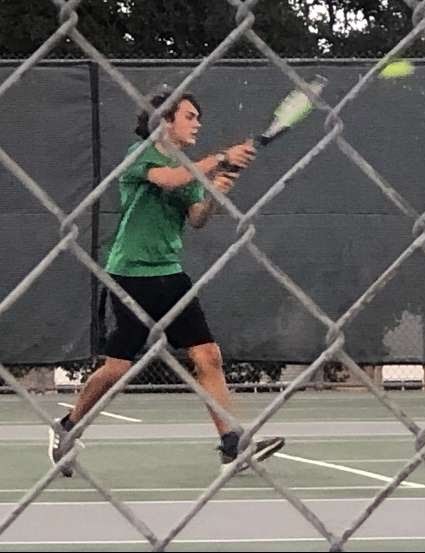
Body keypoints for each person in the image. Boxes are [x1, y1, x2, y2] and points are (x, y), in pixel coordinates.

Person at [48, 90, 284, 477]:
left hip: (170, 274)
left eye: (197, 117)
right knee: (117, 369)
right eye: (190, 116)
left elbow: (196, 218)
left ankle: (231, 443)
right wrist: (220, 157)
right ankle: (68, 425)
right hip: (131, 274)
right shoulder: (140, 154)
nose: (197, 123)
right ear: (164, 120)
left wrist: (217, 189)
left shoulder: (191, 167)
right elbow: (170, 180)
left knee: (208, 355)